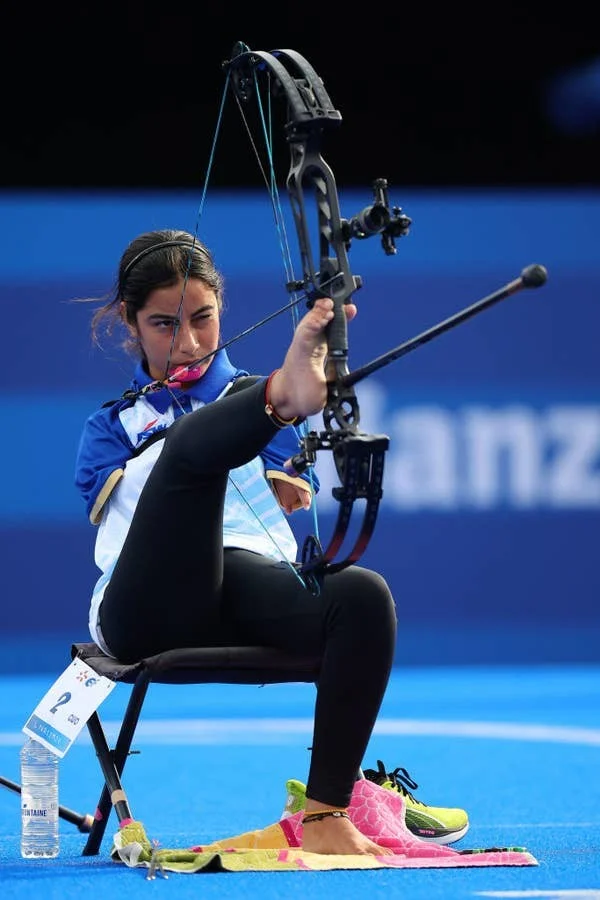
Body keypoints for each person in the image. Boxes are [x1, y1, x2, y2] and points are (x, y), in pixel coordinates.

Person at [74, 228, 467, 855]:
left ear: (222, 309)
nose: (190, 343)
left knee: (361, 596)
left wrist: (262, 403)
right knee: (190, 451)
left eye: (203, 318)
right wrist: (274, 399)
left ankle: (327, 815)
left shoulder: (248, 401)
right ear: (130, 321)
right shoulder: (108, 427)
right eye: (164, 324)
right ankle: (279, 396)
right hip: (143, 610)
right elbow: (169, 485)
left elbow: (273, 487)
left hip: (244, 590)